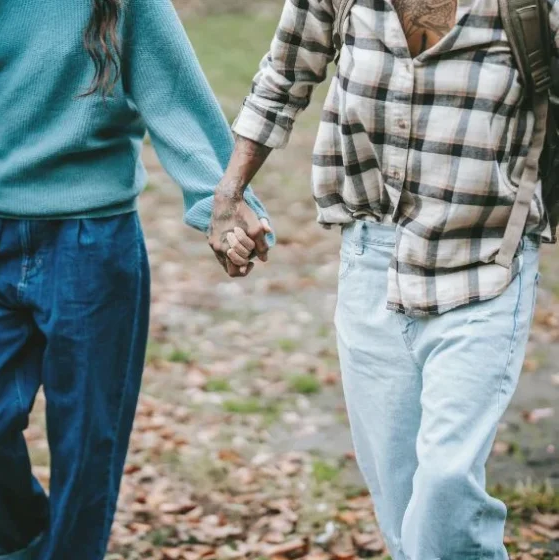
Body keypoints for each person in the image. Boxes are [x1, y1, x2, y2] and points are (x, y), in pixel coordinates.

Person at [0, 0, 271, 558]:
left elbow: (180, 102)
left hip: (92, 245)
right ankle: (21, 548)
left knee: (88, 445)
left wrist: (223, 207)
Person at [211, 0, 554, 558]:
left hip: (488, 260)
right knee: (400, 514)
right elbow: (283, 75)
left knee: (445, 483)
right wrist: (227, 196)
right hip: (373, 257)